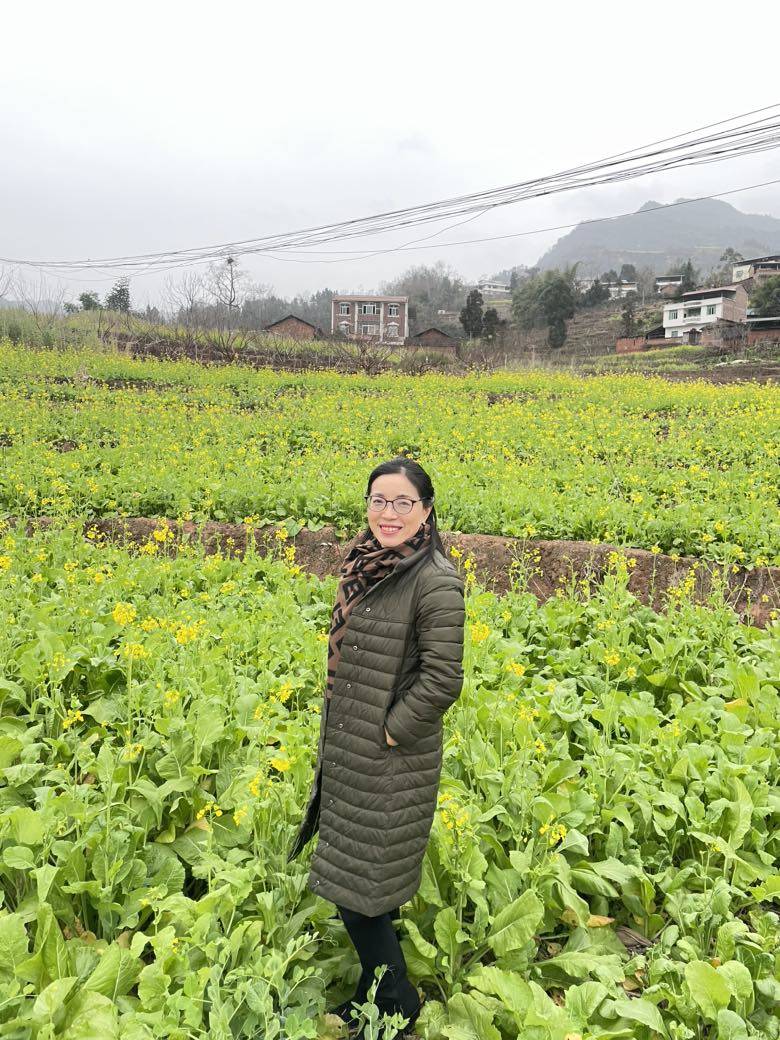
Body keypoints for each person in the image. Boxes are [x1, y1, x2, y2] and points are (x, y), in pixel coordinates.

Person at [287, 457, 466, 1038]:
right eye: (378, 500)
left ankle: (395, 1003)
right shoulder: (367, 563)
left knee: (358, 890)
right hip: (353, 751)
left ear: (426, 511)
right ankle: (373, 989)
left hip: (389, 758)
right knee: (363, 880)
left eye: (402, 503)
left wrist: (387, 731)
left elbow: (443, 680)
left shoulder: (434, 580)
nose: (388, 513)